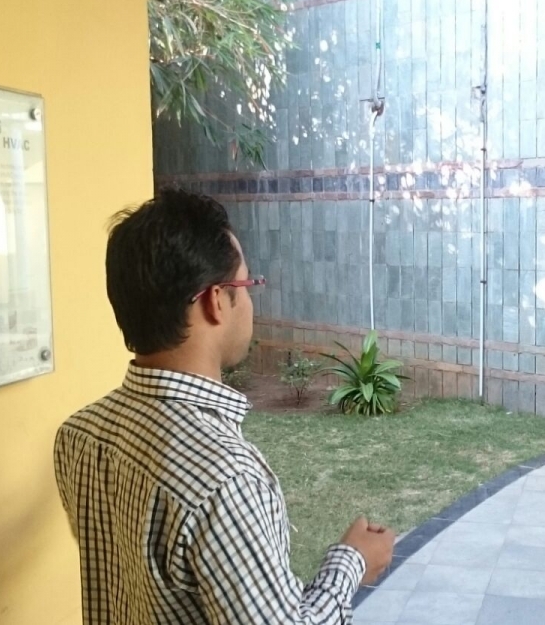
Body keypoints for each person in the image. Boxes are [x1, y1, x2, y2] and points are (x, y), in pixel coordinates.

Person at [54, 188, 394, 624]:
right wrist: (352, 563)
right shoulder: (224, 480)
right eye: (247, 286)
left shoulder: (79, 435)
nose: (250, 302)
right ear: (215, 301)